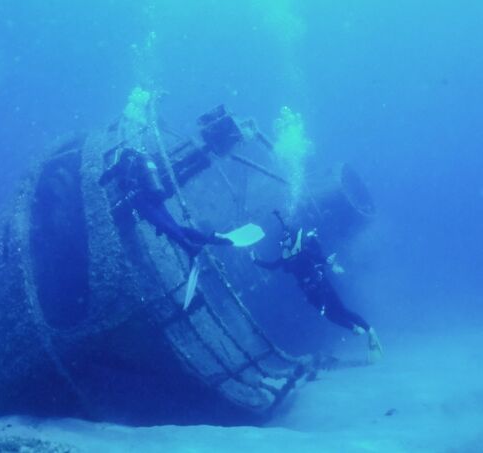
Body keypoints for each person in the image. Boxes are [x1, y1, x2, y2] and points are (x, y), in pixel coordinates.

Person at [251, 219, 382, 362]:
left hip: (322, 286)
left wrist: (328, 261)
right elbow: (272, 266)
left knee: (341, 311)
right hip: (310, 293)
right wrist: (255, 261)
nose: (283, 241)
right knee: (330, 316)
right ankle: (354, 328)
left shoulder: (303, 252)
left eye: (286, 237)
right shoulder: (286, 257)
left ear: (292, 237)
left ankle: (369, 330)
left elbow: (319, 258)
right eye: (282, 238)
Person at [99, 146, 232, 260]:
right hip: (155, 194)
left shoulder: (121, 164)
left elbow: (103, 180)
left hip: (140, 199)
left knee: (166, 225)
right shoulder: (143, 159)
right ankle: (210, 239)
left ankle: (190, 247)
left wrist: (107, 178)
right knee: (172, 225)